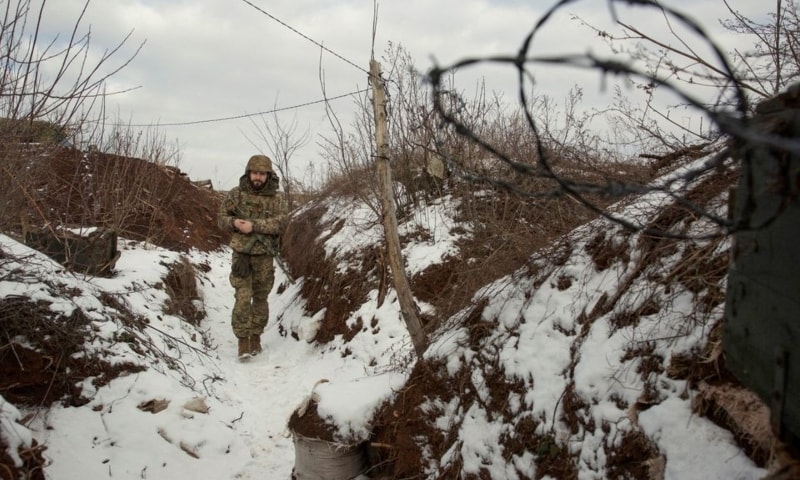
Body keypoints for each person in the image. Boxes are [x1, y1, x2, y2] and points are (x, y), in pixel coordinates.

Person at [217, 154, 287, 360]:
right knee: (242, 298)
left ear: (268, 175)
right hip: (242, 256)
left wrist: (255, 226)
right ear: (248, 173)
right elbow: (221, 218)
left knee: (261, 298)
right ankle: (242, 342)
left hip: (264, 256)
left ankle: (256, 336)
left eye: (262, 174)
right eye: (255, 173)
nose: (258, 177)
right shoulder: (236, 194)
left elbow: (282, 222)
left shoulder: (277, 198)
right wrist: (235, 224)